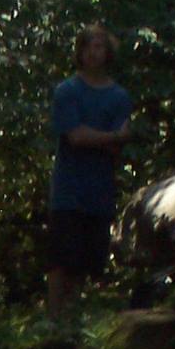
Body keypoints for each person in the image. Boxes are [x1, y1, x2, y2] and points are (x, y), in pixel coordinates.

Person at [47, 23, 134, 317]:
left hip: (100, 190)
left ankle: (76, 321)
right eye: (88, 47)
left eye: (99, 46)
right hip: (69, 190)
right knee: (61, 260)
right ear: (80, 53)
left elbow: (117, 145)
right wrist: (109, 137)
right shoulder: (67, 91)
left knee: (88, 262)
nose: (94, 53)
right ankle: (54, 322)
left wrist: (103, 140)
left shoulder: (119, 97)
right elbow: (75, 136)